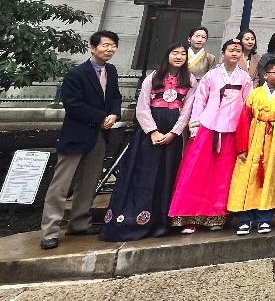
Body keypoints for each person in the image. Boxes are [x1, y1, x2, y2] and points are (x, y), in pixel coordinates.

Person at [101, 42, 195, 241]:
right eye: (175, 52)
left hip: (174, 134)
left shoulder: (190, 80)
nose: (179, 56)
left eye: (183, 54)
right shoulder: (153, 77)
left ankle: (162, 221)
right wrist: (152, 131)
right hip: (149, 132)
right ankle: (132, 219)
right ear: (167, 55)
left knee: (168, 174)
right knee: (143, 172)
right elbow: (143, 106)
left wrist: (174, 132)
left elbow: (188, 110)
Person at [39, 31, 123, 249]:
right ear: (93, 48)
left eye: (113, 46)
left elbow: (115, 96)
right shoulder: (77, 74)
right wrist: (101, 118)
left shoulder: (111, 71)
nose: (110, 49)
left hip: (100, 136)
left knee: (89, 181)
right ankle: (50, 230)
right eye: (105, 45)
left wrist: (115, 113)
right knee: (61, 185)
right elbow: (73, 104)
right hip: (77, 134)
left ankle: (79, 223)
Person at [168, 39, 253, 234]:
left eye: (238, 51)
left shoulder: (245, 78)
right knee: (197, 171)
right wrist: (195, 125)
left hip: (232, 131)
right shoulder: (211, 76)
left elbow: (247, 105)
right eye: (231, 50)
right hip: (208, 128)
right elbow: (200, 100)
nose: (234, 54)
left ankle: (217, 215)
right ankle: (189, 216)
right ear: (223, 53)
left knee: (223, 175)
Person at [228, 59, 275, 235]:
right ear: (266, 74)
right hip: (254, 135)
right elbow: (244, 119)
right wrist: (241, 147)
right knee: (247, 177)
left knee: (270, 177)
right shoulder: (255, 93)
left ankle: (264, 218)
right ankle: (245, 219)